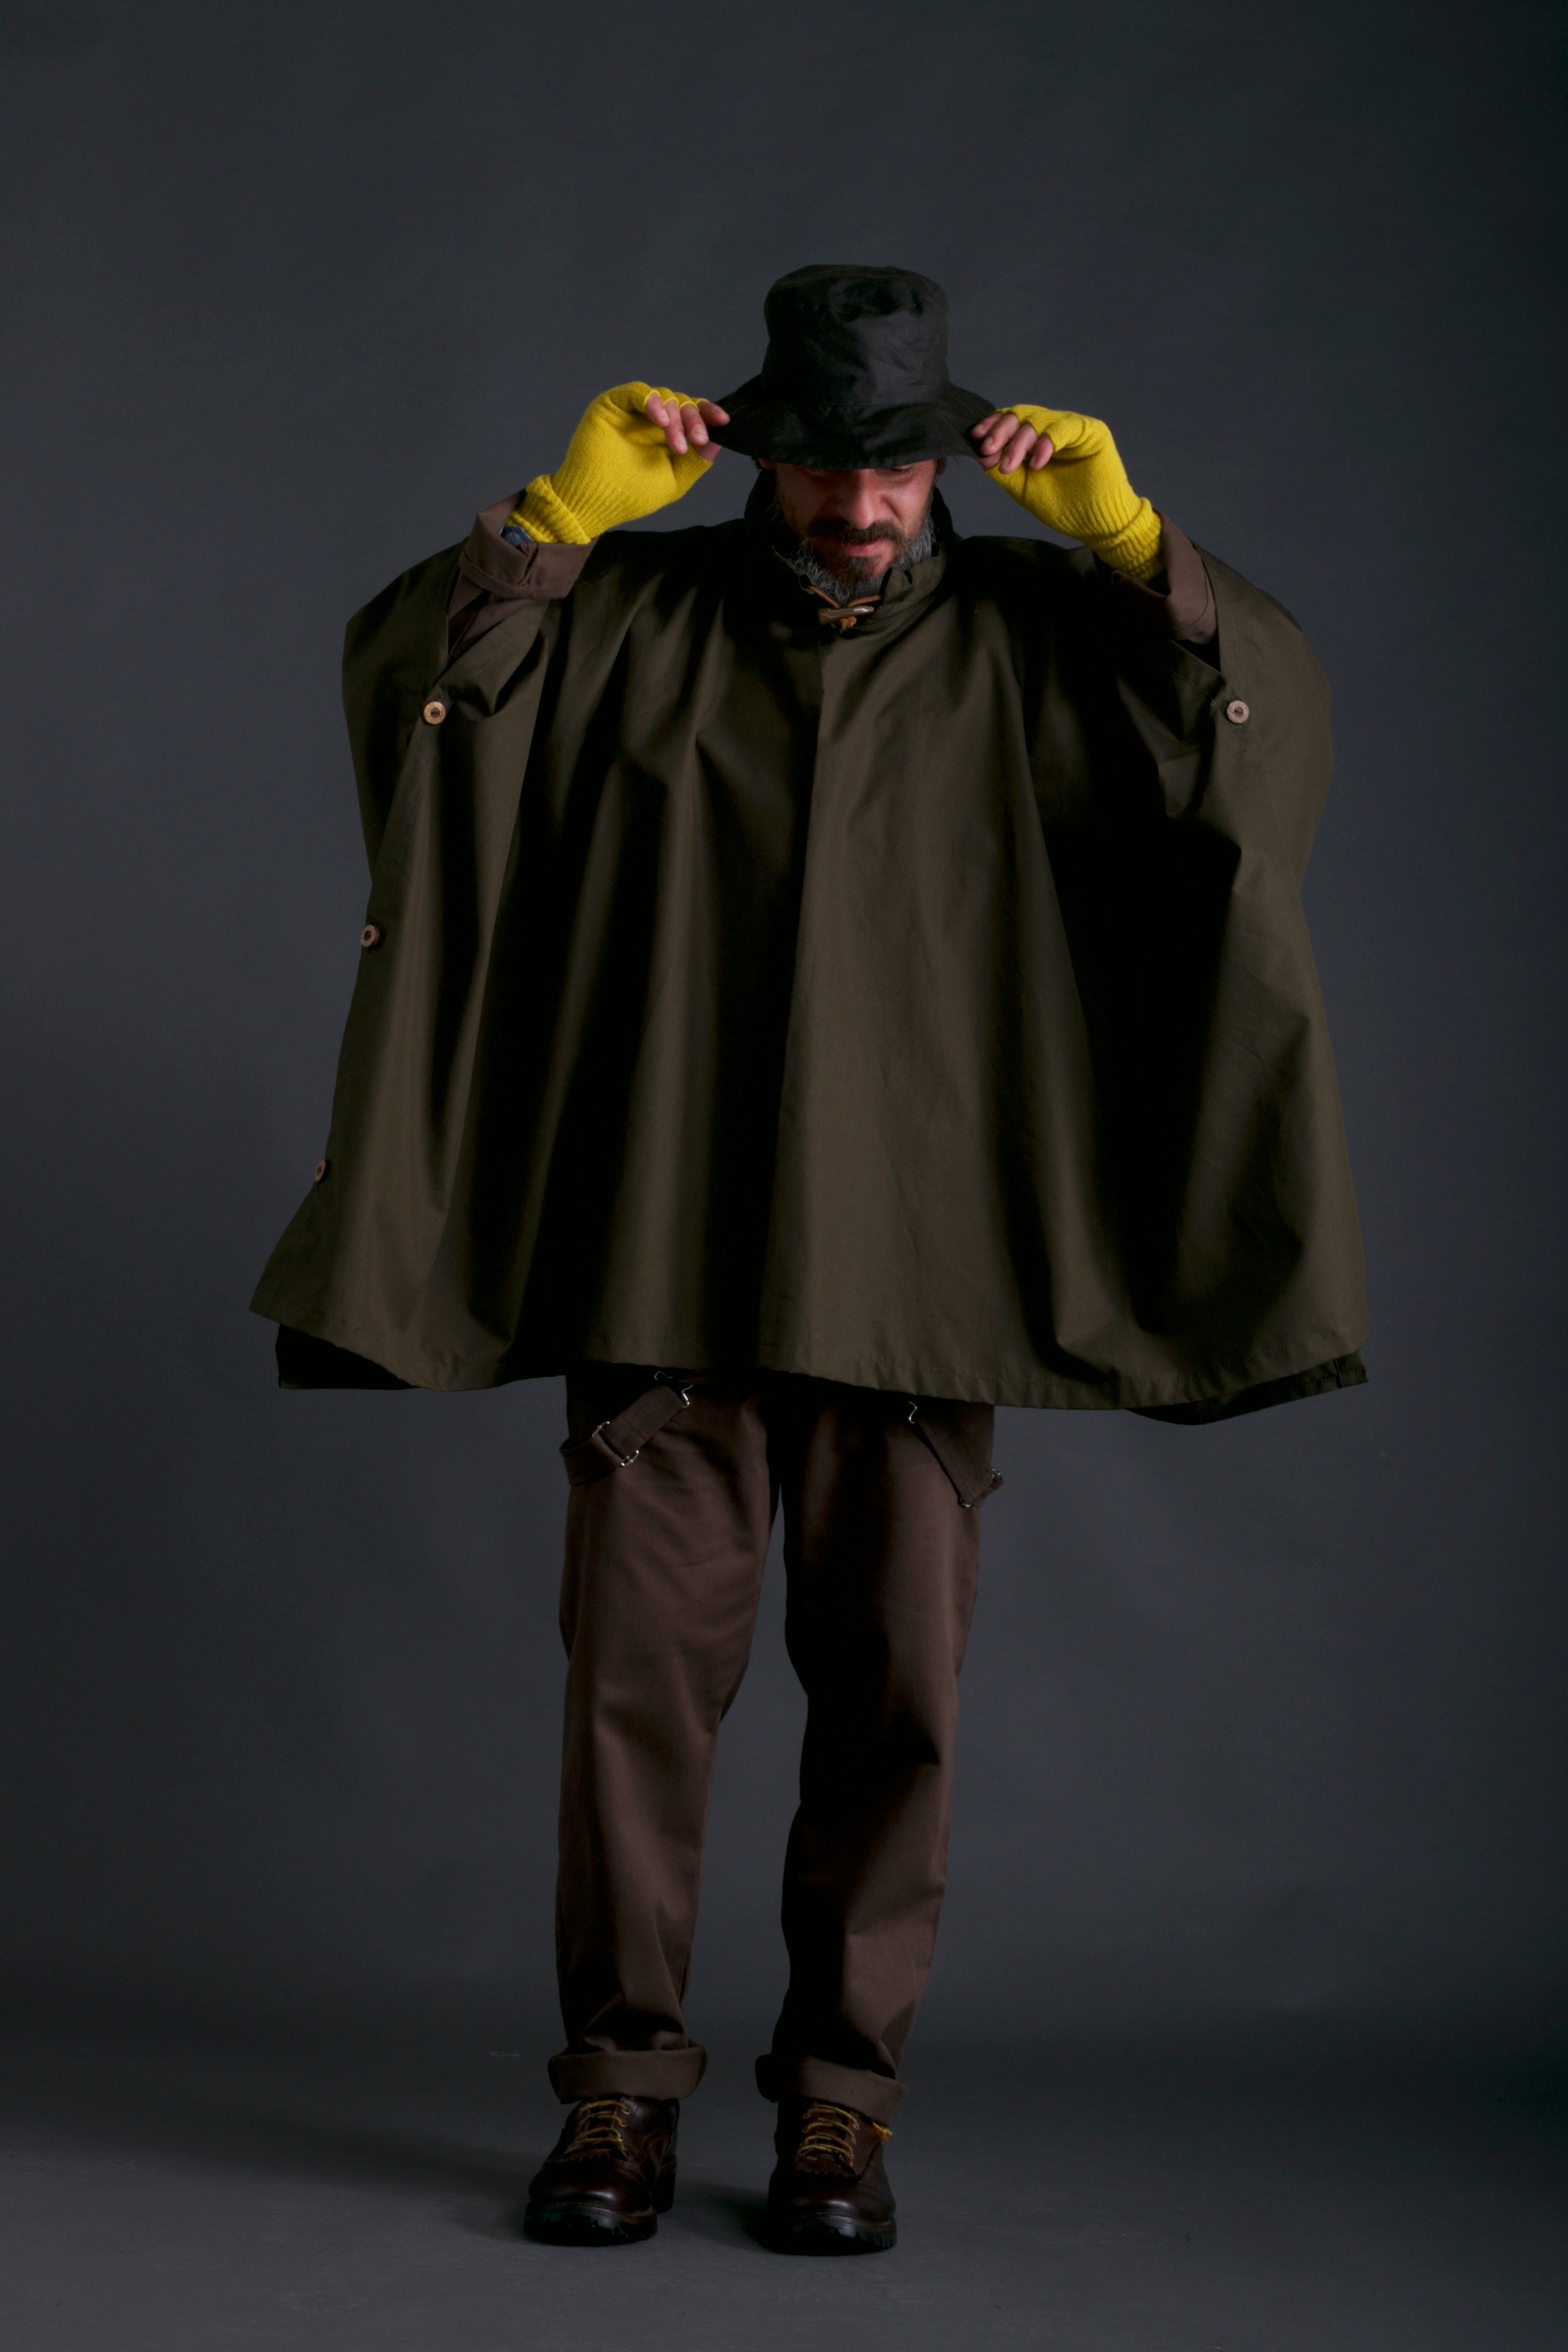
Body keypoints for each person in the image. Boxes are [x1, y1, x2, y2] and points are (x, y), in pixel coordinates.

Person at [252, 264, 1367, 2254]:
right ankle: (615, 2101)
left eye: (898, 469)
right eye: (826, 465)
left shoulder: (1043, 634)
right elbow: (417, 708)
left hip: (915, 1268)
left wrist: (1137, 550)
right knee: (633, 1704)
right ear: (760, 452)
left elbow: (1251, 751)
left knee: (893, 1708)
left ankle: (838, 2110)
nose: (862, 504)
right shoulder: (636, 617)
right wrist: (549, 526)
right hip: (666, 1244)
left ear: (948, 465)